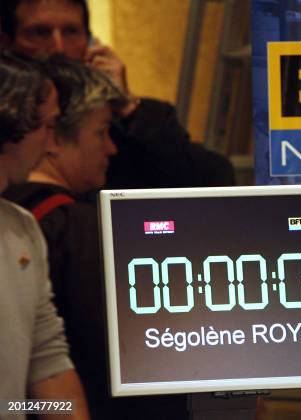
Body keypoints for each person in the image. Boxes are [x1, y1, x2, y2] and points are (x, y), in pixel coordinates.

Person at [4, 56, 188, 419]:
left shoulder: (24, 228)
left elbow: (48, 365)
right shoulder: (84, 232)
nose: (112, 148)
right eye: (101, 132)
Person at [0, 0, 235, 190]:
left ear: (90, 42)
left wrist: (127, 108)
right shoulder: (7, 120)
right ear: (7, 43)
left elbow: (214, 178)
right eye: (40, 32)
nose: (59, 47)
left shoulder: (128, 120)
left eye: (71, 31)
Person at [0, 50, 89, 420]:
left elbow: (46, 363)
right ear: (10, 124)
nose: (52, 145)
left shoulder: (23, 230)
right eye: (47, 127)